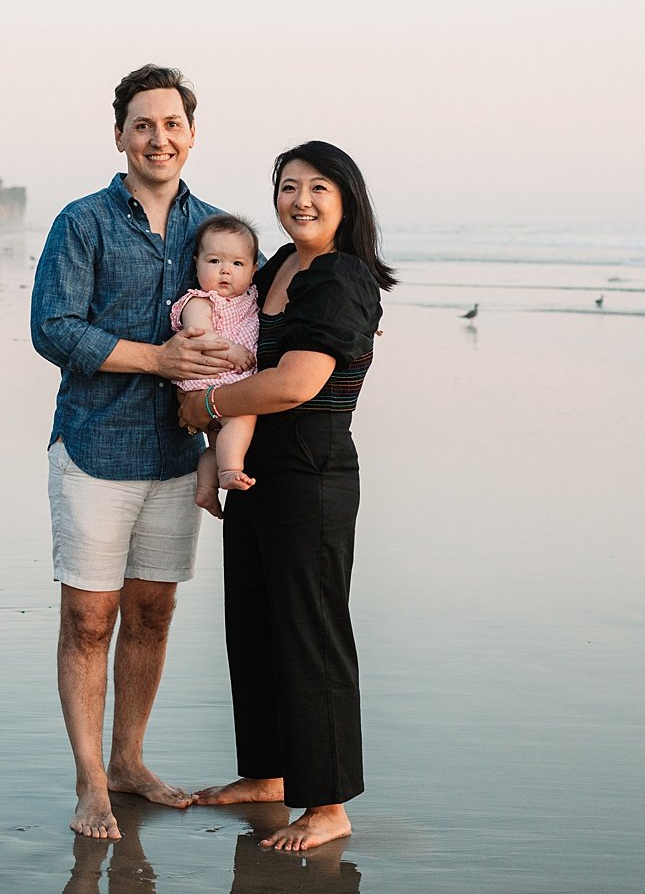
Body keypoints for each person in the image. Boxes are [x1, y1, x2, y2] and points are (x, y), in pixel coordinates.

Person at [30, 64, 249, 842]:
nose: (160, 138)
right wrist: (156, 359)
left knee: (153, 613)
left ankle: (130, 762)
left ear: (192, 134)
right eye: (144, 125)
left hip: (175, 455)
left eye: (173, 124)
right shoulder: (82, 222)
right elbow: (54, 328)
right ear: (120, 134)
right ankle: (91, 782)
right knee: (89, 618)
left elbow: (269, 303)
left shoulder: (218, 231)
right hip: (94, 447)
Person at [180, 141, 396, 852]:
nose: (299, 199)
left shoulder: (339, 279)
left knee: (310, 635)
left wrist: (207, 408)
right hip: (258, 473)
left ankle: (328, 804)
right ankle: (270, 774)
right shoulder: (277, 268)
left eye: (318, 187)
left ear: (347, 200)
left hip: (313, 474)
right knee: (254, 624)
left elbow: (296, 383)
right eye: (287, 186)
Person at [170, 214, 261, 518]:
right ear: (196, 264)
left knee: (216, 445)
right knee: (242, 418)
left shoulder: (251, 299)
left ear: (253, 270)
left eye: (237, 264)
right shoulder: (199, 301)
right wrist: (233, 352)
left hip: (230, 380)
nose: (225, 270)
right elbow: (201, 338)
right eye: (214, 261)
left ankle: (206, 490)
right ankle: (230, 471)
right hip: (211, 378)